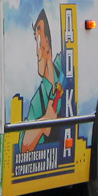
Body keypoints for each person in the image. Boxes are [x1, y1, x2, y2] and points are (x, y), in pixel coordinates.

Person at [21, 9, 65, 152]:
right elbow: (24, 146)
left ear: (47, 42)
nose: (37, 51)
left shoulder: (63, 65)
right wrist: (44, 121)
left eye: (39, 41)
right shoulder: (37, 101)